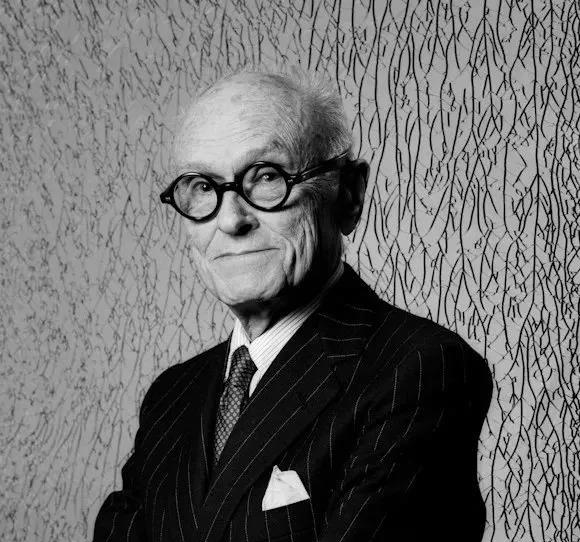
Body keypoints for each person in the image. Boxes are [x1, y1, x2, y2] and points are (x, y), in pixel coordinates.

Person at [93, 69, 492, 542]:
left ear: (348, 195)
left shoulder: (420, 370)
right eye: (202, 187)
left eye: (267, 176)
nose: (231, 220)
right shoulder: (171, 396)